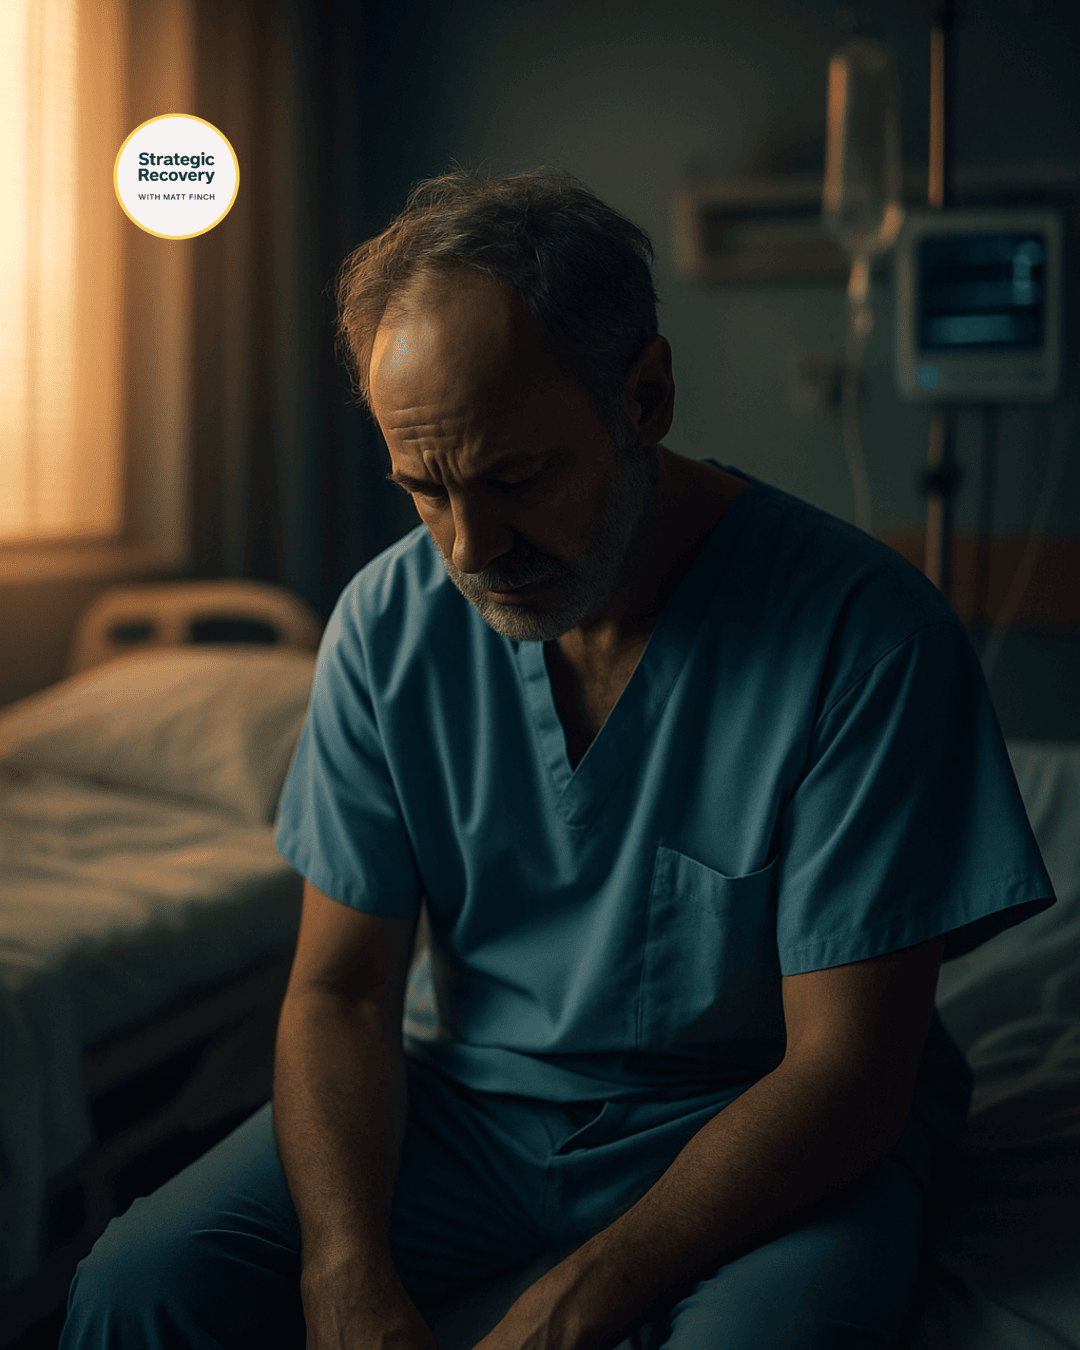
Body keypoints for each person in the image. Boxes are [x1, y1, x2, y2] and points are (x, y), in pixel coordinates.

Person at [61, 169, 1054, 1350]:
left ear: (647, 396)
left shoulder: (867, 638)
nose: (472, 549)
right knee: (138, 1285)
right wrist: (344, 1274)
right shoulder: (388, 626)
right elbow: (342, 989)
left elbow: (846, 1079)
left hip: (756, 1121)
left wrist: (581, 1297)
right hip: (476, 1109)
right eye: (424, 489)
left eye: (514, 478)